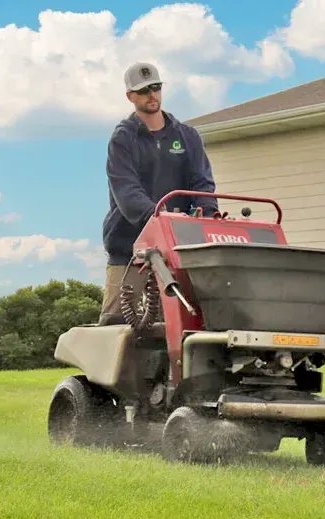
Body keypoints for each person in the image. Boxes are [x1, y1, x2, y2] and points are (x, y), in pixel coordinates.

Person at [98, 61, 219, 326]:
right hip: (129, 250)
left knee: (182, 324)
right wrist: (161, 220)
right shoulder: (122, 139)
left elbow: (203, 185)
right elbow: (128, 193)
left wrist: (206, 217)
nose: (151, 94)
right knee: (116, 325)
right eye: (143, 90)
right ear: (130, 96)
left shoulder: (187, 137)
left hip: (179, 250)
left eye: (156, 87)